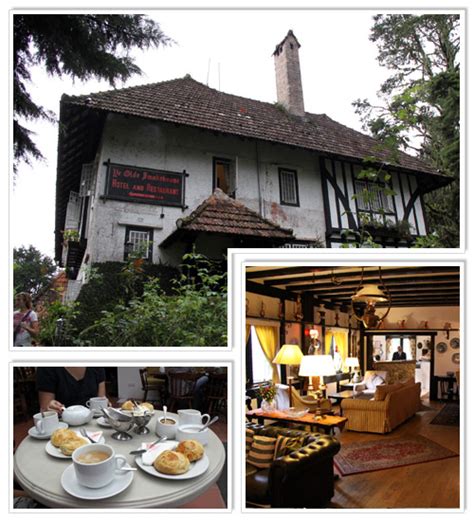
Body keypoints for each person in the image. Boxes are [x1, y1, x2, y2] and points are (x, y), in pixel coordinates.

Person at [36, 367, 107, 412]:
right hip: (62, 427)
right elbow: (45, 408)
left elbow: (101, 399)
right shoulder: (47, 367)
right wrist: (50, 408)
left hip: (93, 425)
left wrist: (105, 403)